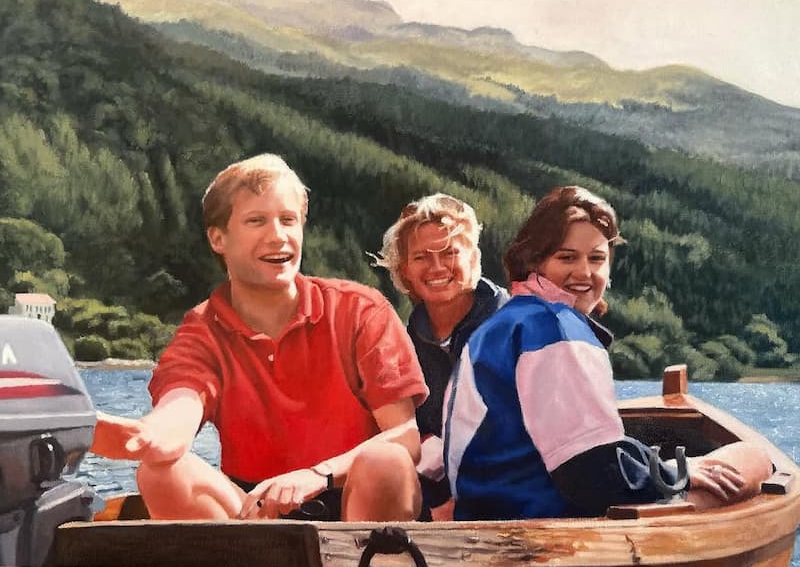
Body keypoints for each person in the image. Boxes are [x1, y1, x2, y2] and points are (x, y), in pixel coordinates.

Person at [91, 153, 429, 522]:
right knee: (160, 470)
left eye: (288, 220)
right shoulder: (203, 329)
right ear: (218, 238)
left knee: (387, 460)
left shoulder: (362, 309)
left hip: (352, 499)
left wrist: (317, 475)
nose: (278, 237)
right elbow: (179, 408)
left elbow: (406, 437)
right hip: (255, 512)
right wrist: (143, 436)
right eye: (256, 221)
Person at [443, 185, 773, 521]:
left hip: (487, 510)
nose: (585, 273)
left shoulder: (508, 321)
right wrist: (679, 476)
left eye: (597, 258)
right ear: (535, 261)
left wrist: (663, 468)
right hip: (546, 520)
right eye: (567, 257)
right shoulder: (552, 327)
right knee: (755, 460)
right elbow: (590, 473)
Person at [373, 193, 508, 520]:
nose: (436, 267)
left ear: (473, 258)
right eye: (421, 257)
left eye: (449, 252)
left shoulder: (509, 325)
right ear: (404, 269)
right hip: (433, 496)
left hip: (509, 494)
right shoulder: (405, 340)